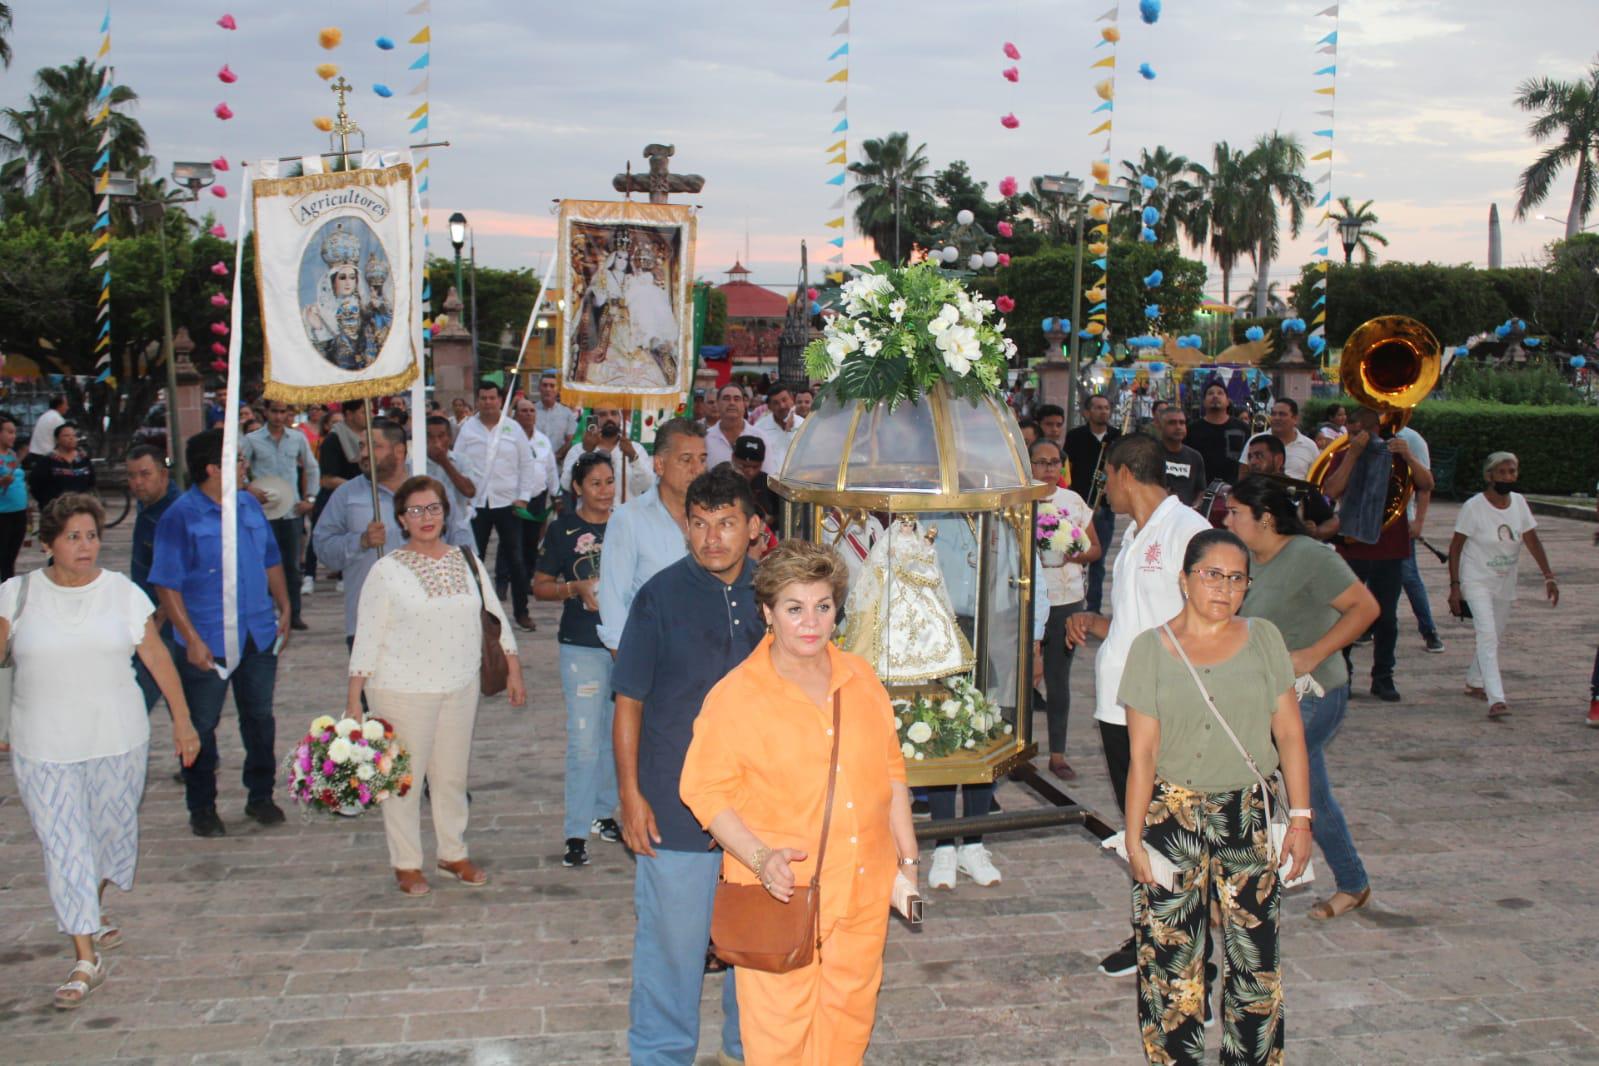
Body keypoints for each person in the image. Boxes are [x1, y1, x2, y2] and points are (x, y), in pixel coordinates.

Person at [680, 540, 917, 1066]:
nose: (810, 623)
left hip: (860, 893)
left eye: (823, 606)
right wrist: (760, 858)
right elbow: (702, 790)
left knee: (848, 1031)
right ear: (768, 613)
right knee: (779, 1044)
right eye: (794, 608)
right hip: (781, 897)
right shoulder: (737, 695)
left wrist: (908, 863)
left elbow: (892, 772)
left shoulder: (862, 680)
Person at [1119, 528, 1313, 1065]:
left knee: (1254, 960)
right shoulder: (1148, 649)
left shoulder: (1264, 638)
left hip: (1246, 813)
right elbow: (1143, 755)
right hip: (1170, 816)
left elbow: (1291, 734)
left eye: (1236, 579)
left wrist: (1301, 817)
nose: (1224, 589)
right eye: (1212, 575)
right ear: (1184, 580)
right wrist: (1133, 838)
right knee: (1170, 959)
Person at [0, 494, 200, 1010]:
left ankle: (91, 905)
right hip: (42, 744)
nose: (85, 546)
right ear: (48, 544)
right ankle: (85, 957)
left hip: (118, 738)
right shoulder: (16, 596)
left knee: (111, 840)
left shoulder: (122, 593)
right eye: (73, 537)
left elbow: (157, 659)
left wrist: (183, 723)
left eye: (91, 535)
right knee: (65, 846)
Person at [612, 467, 761, 1065]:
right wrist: (630, 795)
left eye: (725, 523)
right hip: (673, 807)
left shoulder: (776, 594)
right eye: (698, 524)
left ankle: (750, 1050)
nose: (712, 538)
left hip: (757, 810)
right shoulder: (659, 596)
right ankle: (660, 1054)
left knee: (752, 946)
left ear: (753, 526)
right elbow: (629, 703)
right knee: (670, 949)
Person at [1065, 433, 1210, 979]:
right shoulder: (1134, 533)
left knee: (1169, 826)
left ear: (1126, 473)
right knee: (1141, 828)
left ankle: (1187, 952)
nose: (1105, 489)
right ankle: (1151, 933)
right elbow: (1142, 620)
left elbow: (1205, 620)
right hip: (1118, 703)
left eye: (1107, 478)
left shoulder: (1188, 530)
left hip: (1160, 707)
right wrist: (1099, 624)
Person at [345, 476, 524, 896]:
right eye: (415, 511)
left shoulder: (466, 560)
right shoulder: (386, 570)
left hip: (459, 684)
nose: (425, 518)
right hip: (401, 689)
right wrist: (354, 698)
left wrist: (514, 668)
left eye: (434, 509)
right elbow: (367, 635)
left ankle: (452, 853)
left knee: (451, 776)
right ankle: (407, 862)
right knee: (404, 781)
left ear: (446, 513)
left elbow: (494, 617)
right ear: (401, 520)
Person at [1226, 475, 1380, 921]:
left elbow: (1366, 608)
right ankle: (1353, 883)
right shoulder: (1248, 559)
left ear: (1266, 518)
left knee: (1255, 776)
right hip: (1268, 696)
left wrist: (1313, 653)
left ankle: (1248, 885)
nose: (1226, 518)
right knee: (1310, 794)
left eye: (1236, 512)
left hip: (1316, 693)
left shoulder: (1309, 555)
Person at [147, 429, 291, 837]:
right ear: (213, 468)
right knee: (202, 724)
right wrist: (189, 637)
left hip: (257, 631)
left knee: (260, 716)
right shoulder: (181, 516)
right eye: (239, 460)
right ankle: (202, 805)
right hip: (208, 637)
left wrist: (284, 604)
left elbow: (269, 558)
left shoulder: (248, 505)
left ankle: (261, 794)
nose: (246, 467)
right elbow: (166, 582)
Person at [534, 451, 622, 868]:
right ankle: (575, 830)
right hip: (581, 645)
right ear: (577, 488)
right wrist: (576, 588)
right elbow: (540, 586)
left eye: (609, 482)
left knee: (616, 735)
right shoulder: (563, 529)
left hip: (626, 644)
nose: (605, 492)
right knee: (584, 741)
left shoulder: (628, 524)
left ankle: (605, 813)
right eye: (596, 484)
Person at [1320, 407, 1434, 702]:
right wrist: (1354, 455)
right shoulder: (1345, 454)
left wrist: (1408, 456)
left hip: (1390, 544)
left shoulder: (1397, 454)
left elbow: (1427, 484)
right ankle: (1342, 674)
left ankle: (1383, 676)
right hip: (1352, 542)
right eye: (1353, 429)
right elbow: (1331, 490)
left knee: (1386, 616)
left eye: (1362, 428)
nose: (1356, 433)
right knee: (1345, 612)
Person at [1447, 452, 1558, 720]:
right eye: (1503, 472)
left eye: (1512, 471)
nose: (1508, 477)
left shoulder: (1519, 503)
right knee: (1486, 634)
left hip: (1505, 580)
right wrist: (1455, 586)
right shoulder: (1474, 506)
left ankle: (1475, 680)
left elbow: (1531, 540)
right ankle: (1496, 699)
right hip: (1476, 579)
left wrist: (1548, 575)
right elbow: (1456, 548)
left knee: (1493, 634)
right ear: (1490, 476)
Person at [596, 419, 709, 655]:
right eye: (686, 459)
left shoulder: (714, 519)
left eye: (702, 459)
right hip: (652, 655)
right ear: (659, 464)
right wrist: (627, 668)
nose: (697, 469)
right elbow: (613, 601)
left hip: (707, 652)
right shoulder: (629, 519)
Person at [1031, 439, 1102, 781]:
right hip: (1027, 600)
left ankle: (1057, 753)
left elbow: (1095, 550)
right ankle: (1017, 751)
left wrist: (1071, 550)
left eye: (1054, 462)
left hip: (1067, 599)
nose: (1048, 469)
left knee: (1058, 681)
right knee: (1022, 681)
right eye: (1041, 462)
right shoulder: (1018, 499)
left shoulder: (1072, 501)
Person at [312, 420, 411, 657]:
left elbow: (462, 547)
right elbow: (323, 547)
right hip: (368, 624)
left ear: (399, 451)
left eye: (374, 446)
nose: (364, 453)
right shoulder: (346, 494)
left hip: (423, 622)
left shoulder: (427, 490)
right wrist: (360, 541)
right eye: (361, 445)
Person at [456, 380, 544, 631]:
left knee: (516, 561)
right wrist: (464, 499)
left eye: (492, 398)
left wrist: (523, 496)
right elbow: (459, 463)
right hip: (477, 504)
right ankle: (476, 614)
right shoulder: (467, 430)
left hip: (508, 503)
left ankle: (521, 612)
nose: (487, 402)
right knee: (475, 560)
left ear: (500, 400)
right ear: (477, 400)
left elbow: (526, 464)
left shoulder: (512, 428)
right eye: (483, 398)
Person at [242, 399, 320, 632]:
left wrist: (311, 498)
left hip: (290, 510)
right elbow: (240, 467)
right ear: (266, 412)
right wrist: (248, 488)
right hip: (263, 512)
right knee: (262, 564)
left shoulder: (296, 438)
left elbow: (312, 466)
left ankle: (293, 613)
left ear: (288, 413)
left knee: (292, 565)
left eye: (282, 411)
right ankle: (266, 612)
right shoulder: (252, 440)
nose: (277, 416)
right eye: (274, 411)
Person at [127, 445, 182, 713]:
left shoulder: (174, 514)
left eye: (144, 474)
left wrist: (159, 619)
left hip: (166, 624)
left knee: (139, 702)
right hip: (143, 615)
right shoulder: (147, 505)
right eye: (132, 476)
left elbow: (178, 576)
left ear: (163, 474)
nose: (137, 482)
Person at [1063, 394, 1121, 613]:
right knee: (1077, 555)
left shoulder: (1117, 436)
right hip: (1080, 505)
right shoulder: (1075, 436)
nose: (1103, 412)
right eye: (1097, 407)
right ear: (1087, 412)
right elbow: (1069, 470)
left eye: (1106, 407)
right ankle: (1074, 601)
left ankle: (1093, 608)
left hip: (1105, 506)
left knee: (1098, 559)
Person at [306, 399, 368, 594]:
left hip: (360, 497)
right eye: (362, 412)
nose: (368, 416)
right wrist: (356, 486)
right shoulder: (334, 439)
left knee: (355, 535)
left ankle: (344, 575)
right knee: (321, 536)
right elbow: (327, 478)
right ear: (349, 414)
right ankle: (309, 575)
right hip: (334, 495)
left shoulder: (369, 437)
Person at [1395, 422, 1444, 654]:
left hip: (1402, 520)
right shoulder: (1366, 433)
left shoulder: (1411, 439)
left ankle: (1429, 630)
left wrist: (1419, 521)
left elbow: (1425, 485)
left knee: (1408, 575)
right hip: (1370, 522)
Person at [1243, 434, 1338, 539]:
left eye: (1259, 456)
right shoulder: (1244, 491)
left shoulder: (1301, 489)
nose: (1252, 462)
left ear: (1278, 459)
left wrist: (1317, 531)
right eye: (1250, 457)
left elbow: (1333, 521)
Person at [561, 406, 655, 504]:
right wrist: (585, 453)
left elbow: (647, 485)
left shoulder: (636, 449)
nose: (609, 418)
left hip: (627, 517)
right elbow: (566, 484)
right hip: (591, 517)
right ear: (593, 419)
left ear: (620, 417)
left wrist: (634, 458)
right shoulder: (578, 450)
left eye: (614, 413)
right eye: (602, 414)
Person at [423, 414, 479, 549]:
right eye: (430, 436)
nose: (435, 441)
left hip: (457, 529)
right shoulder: (414, 464)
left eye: (441, 436)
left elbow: (470, 491)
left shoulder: (462, 460)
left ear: (449, 438)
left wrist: (444, 461)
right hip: (426, 530)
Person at [1183, 381, 1248, 489]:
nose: (1215, 396)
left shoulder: (1242, 428)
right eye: (1210, 393)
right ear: (1203, 402)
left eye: (1220, 393)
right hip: (1201, 490)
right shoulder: (1192, 429)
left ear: (1228, 401)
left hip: (1235, 490)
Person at [1244, 397, 1321, 480]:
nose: (1276, 418)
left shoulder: (1310, 446)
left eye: (1282, 414)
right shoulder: (1256, 440)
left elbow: (1316, 478)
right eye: (1273, 414)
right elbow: (1243, 473)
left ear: (1295, 419)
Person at [27, 423, 95, 513]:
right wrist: (47, 503)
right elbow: (35, 484)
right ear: (57, 439)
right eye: (66, 435)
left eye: (74, 435)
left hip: (80, 509)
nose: (71, 438)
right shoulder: (47, 461)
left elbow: (91, 482)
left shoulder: (83, 459)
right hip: (55, 511)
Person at [1155, 406, 1207, 507]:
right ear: (1160, 426)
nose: (1178, 427)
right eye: (1172, 423)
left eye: (1182, 423)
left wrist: (1195, 507)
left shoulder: (1195, 457)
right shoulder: (1150, 454)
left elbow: (1201, 490)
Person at [752, 381, 805, 476]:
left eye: (784, 400)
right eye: (776, 403)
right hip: (769, 485)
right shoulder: (759, 429)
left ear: (792, 399)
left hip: (798, 483)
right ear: (769, 407)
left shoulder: (804, 425)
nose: (782, 406)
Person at [730, 435, 781, 531]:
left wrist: (772, 520)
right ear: (733, 458)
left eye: (755, 467)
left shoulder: (769, 484)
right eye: (744, 466)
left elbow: (783, 516)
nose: (750, 472)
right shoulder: (721, 481)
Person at [0, 415, 27, 581]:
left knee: (10, 557)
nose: (13, 436)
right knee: (3, 558)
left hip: (18, 512)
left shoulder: (12, 455)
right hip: (2, 515)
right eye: (9, 432)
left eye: (14, 432)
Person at [536, 370, 579, 462]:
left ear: (558, 390)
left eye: (552, 386)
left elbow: (570, 440)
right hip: (535, 464)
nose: (548, 389)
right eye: (545, 385)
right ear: (539, 388)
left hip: (558, 466)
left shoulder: (567, 413)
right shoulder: (531, 411)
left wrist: (556, 456)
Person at [705, 383, 751, 469]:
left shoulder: (760, 437)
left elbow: (768, 478)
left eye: (737, 399)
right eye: (726, 399)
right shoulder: (705, 438)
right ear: (718, 403)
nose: (732, 403)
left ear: (744, 404)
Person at [23, 393, 68, 465]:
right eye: (66, 404)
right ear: (60, 405)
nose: (67, 407)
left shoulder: (44, 416)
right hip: (46, 456)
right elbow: (62, 442)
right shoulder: (58, 419)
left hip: (34, 454)